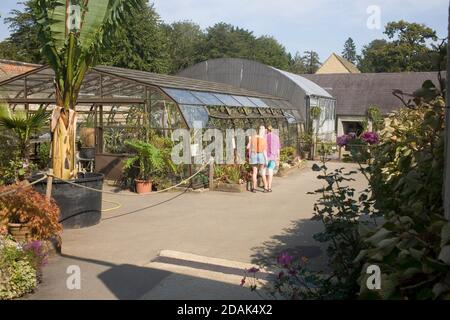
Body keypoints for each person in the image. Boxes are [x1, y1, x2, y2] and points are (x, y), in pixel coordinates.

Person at [247, 125, 269, 193]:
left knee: (254, 172)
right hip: (261, 155)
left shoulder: (252, 138)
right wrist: (266, 160)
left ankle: (254, 188)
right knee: (262, 172)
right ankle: (265, 188)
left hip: (253, 155)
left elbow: (248, 147)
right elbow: (265, 151)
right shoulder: (263, 139)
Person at [265, 125, 281, 192]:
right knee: (270, 171)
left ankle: (265, 185)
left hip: (265, 157)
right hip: (273, 157)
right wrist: (278, 158)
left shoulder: (264, 136)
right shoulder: (276, 137)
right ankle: (269, 187)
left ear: (267, 130)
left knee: (265, 171)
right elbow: (278, 149)